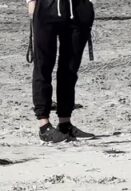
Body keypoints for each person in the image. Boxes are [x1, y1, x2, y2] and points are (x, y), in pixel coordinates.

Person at [27, 0, 96, 143]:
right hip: (46, 7)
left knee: (70, 69)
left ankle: (65, 124)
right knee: (43, 66)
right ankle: (44, 125)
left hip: (78, 9)